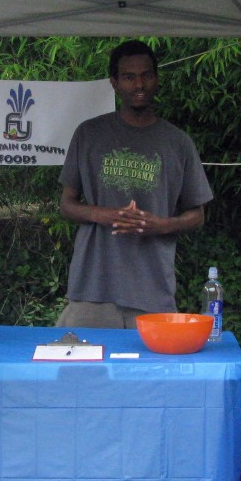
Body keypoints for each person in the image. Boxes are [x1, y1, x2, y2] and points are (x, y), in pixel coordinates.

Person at [56, 40, 213, 328]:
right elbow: (66, 204)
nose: (138, 84)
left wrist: (160, 225)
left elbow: (197, 215)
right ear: (114, 83)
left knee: (151, 374)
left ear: (156, 78)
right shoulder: (89, 134)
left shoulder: (178, 142)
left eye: (146, 75)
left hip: (152, 290)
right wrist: (104, 215)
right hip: (93, 287)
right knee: (77, 371)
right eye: (129, 77)